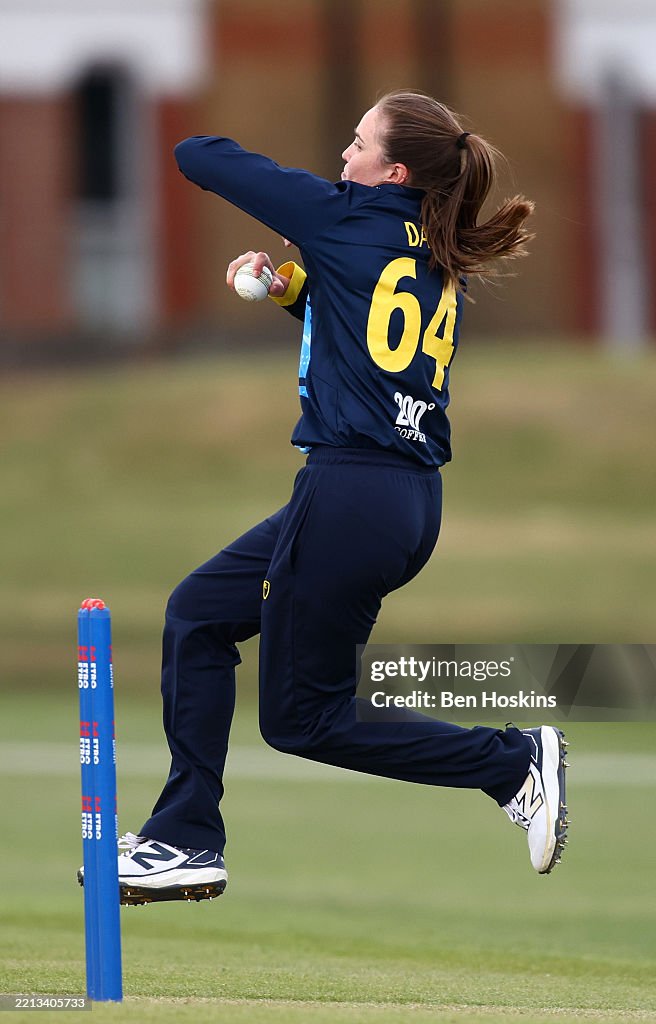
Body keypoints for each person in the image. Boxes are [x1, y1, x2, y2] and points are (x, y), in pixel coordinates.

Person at [79, 90, 568, 905]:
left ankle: (509, 762)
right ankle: (182, 836)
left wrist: (297, 201)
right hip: (397, 500)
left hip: (350, 492)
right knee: (196, 613)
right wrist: (287, 288)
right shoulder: (425, 243)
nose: (343, 159)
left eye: (356, 144)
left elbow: (198, 154)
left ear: (395, 171)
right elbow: (365, 326)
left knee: (304, 720)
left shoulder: (346, 215)